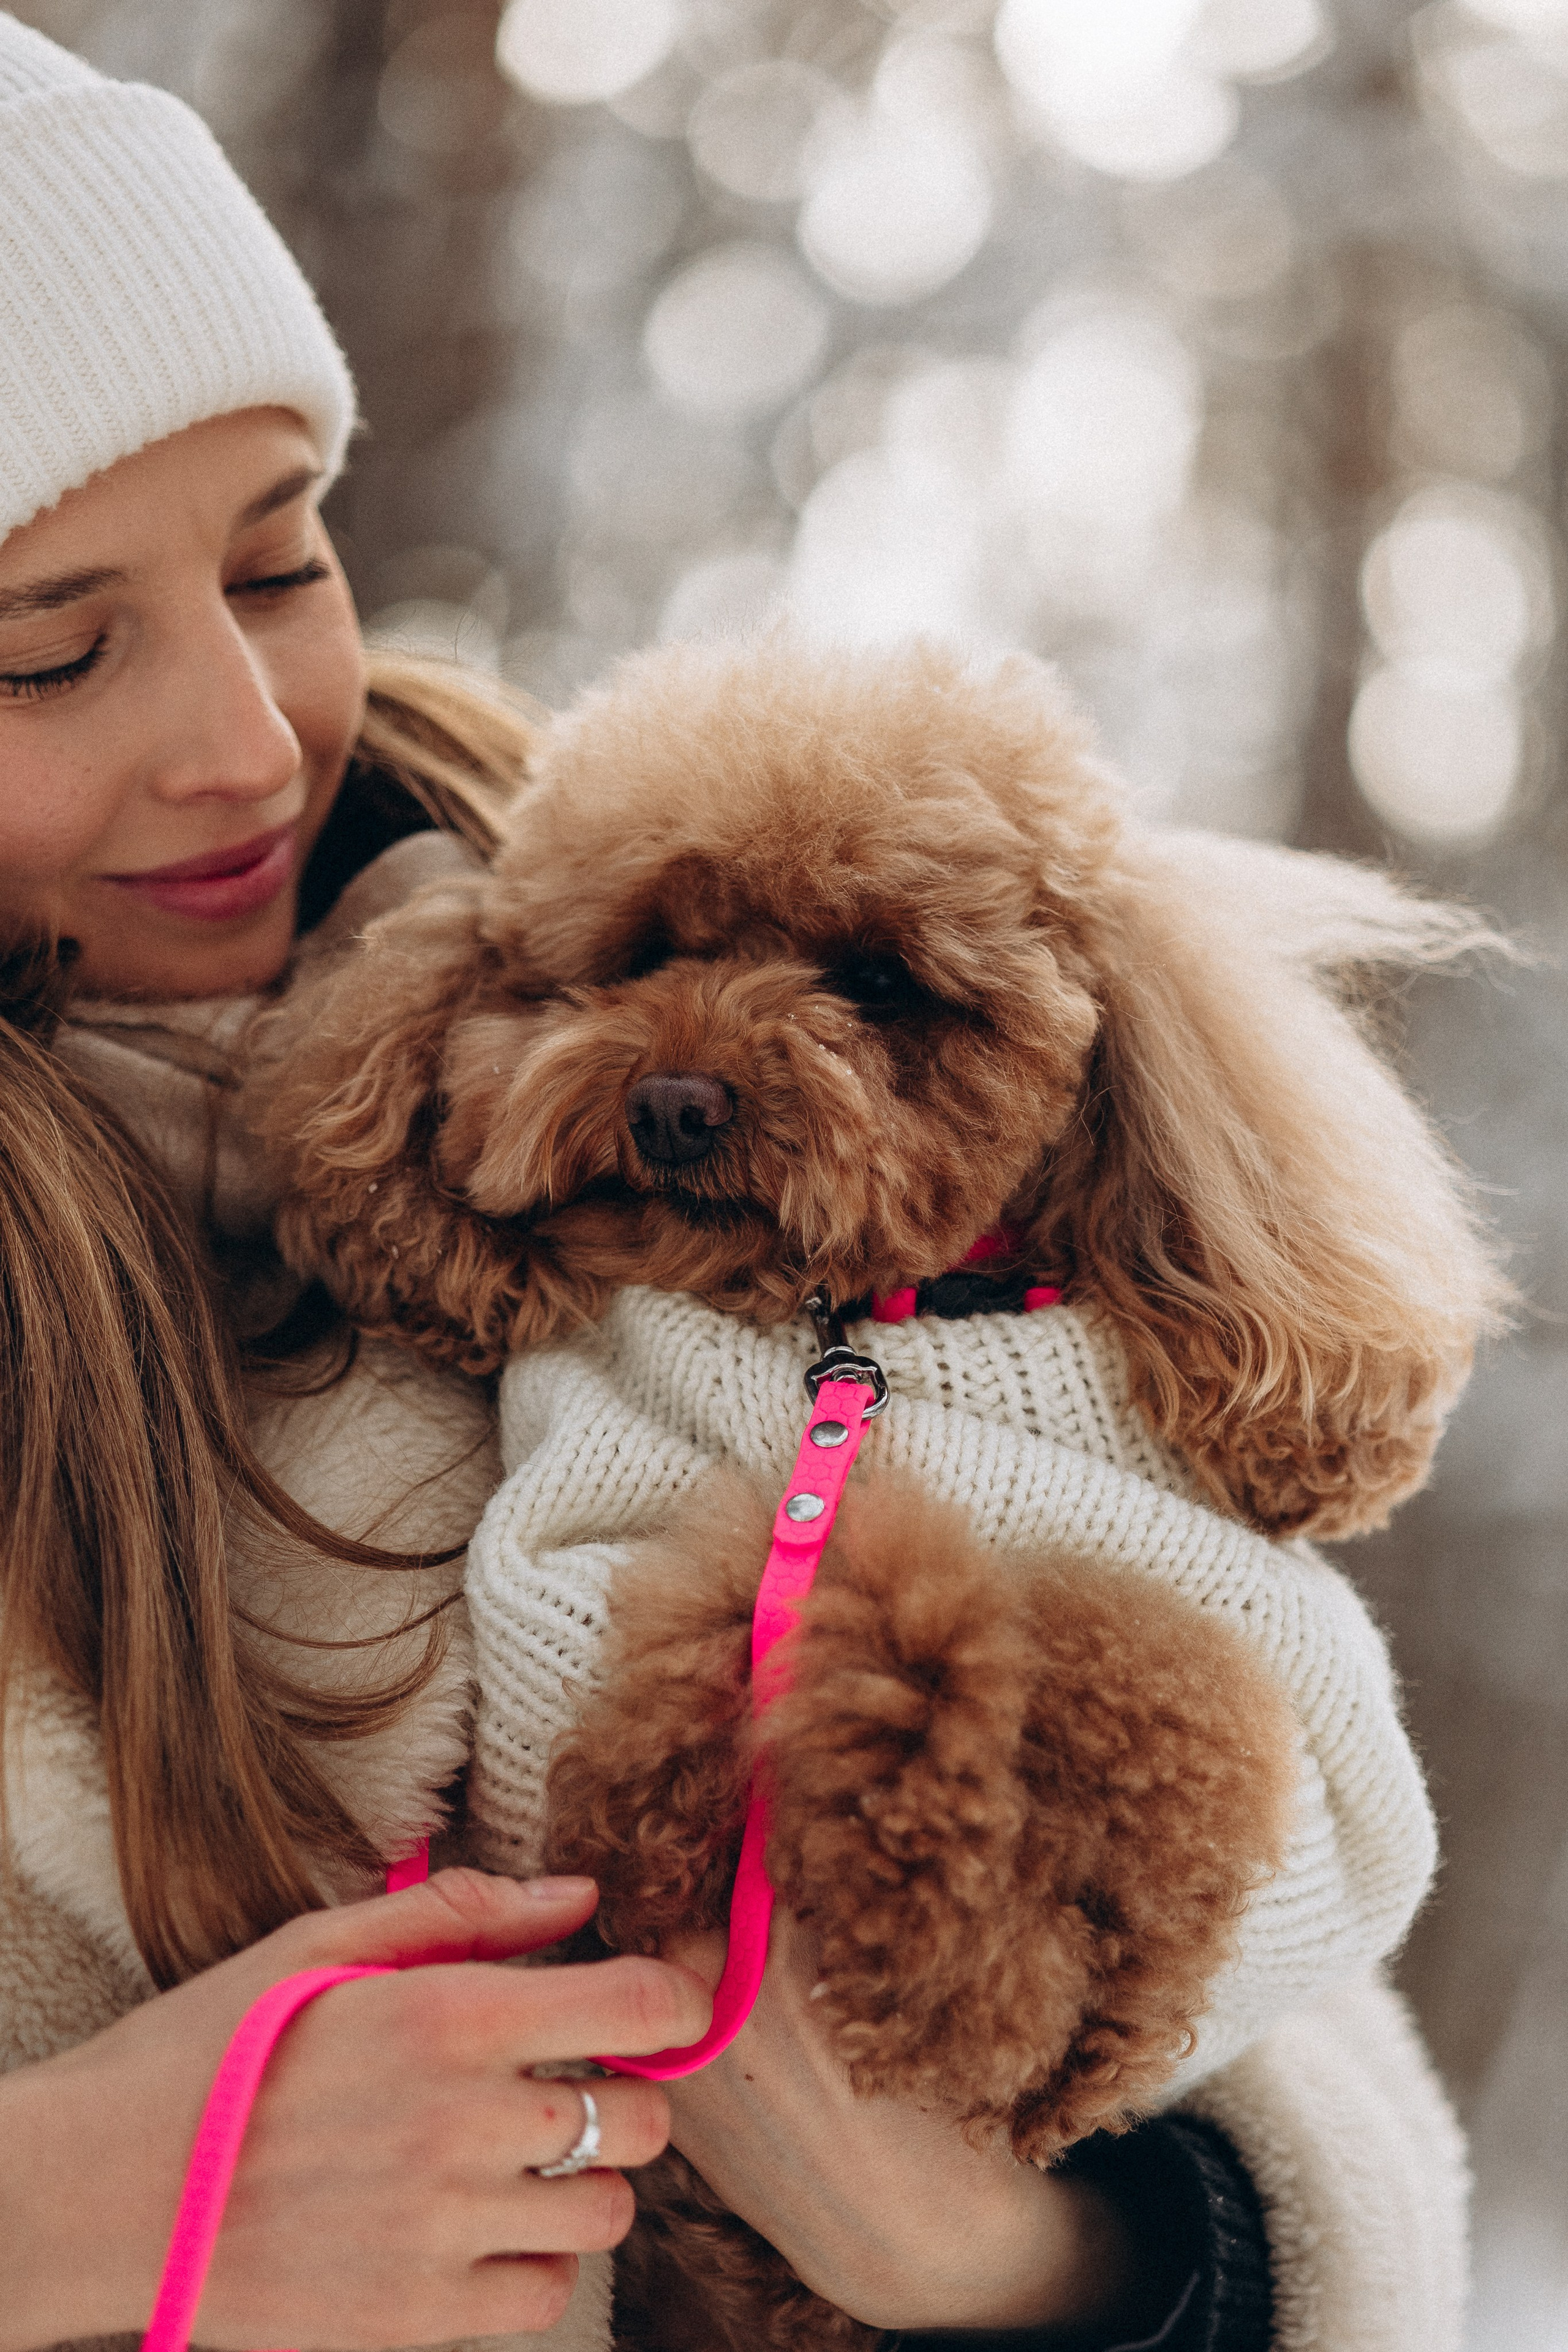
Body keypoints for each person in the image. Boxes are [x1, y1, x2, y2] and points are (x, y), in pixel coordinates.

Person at [0, 15, 1469, 2352]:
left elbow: (1346, 2118)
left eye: (283, 564)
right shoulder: (450, 1098)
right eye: (49, 649)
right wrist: (77, 2202)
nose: (248, 739)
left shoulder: (520, 916)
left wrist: (1029, 2263)